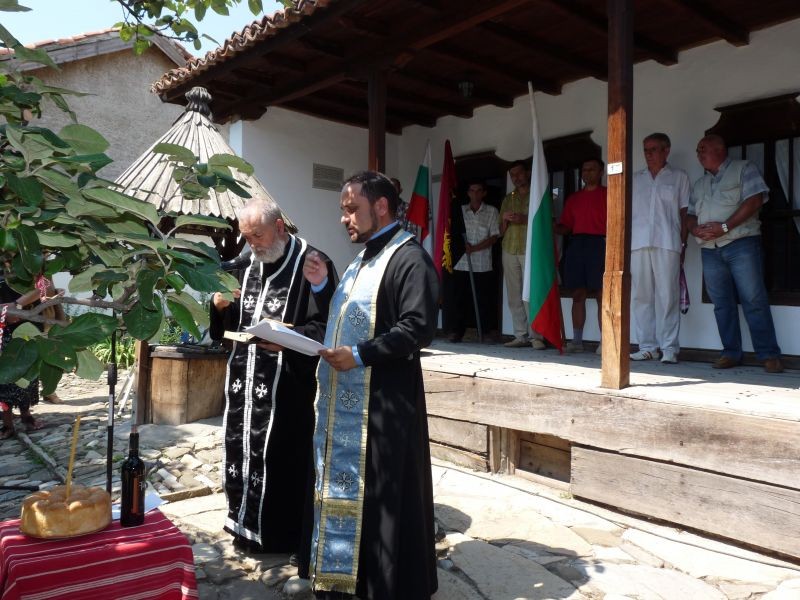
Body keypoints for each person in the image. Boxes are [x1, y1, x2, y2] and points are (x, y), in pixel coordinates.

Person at [303, 171, 438, 600]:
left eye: (351, 209)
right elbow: (348, 317)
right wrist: (322, 286)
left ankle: (383, 585)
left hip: (385, 402)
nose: (344, 218)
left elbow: (417, 328)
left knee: (384, 497)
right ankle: (348, 578)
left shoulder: (409, 258)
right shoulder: (362, 259)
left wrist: (360, 355)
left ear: (380, 206)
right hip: (350, 399)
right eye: (343, 210)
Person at [209, 196, 337, 557]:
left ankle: (283, 537)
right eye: (247, 237)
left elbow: (328, 325)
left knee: (282, 460)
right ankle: (245, 527)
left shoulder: (313, 263)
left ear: (279, 227)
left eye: (258, 236)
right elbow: (228, 323)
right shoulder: (246, 263)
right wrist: (218, 305)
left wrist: (287, 339)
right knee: (242, 454)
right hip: (245, 383)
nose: (252, 245)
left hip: (289, 387)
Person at [688, 134, 784, 373]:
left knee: (753, 299)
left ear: (720, 149)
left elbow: (755, 200)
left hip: (741, 244)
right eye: (698, 150)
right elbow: (689, 214)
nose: (699, 154)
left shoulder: (744, 168)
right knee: (721, 303)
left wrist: (724, 226)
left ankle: (769, 355)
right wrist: (694, 228)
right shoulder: (700, 183)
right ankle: (730, 353)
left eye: (703, 149)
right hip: (710, 249)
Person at [630, 133, 690, 364]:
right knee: (641, 296)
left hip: (668, 241)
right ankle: (647, 347)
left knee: (668, 296)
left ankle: (669, 348)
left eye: (653, 149)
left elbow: (684, 213)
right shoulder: (636, 179)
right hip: (638, 242)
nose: (649, 154)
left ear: (666, 150)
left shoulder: (679, 177)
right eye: (646, 150)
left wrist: (683, 243)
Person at [555, 157, 607, 354]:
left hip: (600, 243)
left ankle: (605, 342)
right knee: (578, 294)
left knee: (602, 294)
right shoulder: (574, 199)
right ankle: (577, 341)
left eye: (592, 169)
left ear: (601, 172)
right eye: (584, 169)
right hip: (577, 244)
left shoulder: (608, 194)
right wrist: (548, 225)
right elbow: (566, 227)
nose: (587, 173)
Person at [499, 160, 545, 349]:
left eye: (519, 173)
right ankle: (520, 335)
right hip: (509, 249)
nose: (516, 178)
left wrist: (524, 219)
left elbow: (547, 222)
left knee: (531, 294)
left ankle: (537, 336)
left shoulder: (538, 195)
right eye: (512, 175)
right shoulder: (508, 199)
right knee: (514, 295)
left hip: (530, 249)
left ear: (528, 173)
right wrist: (505, 219)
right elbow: (500, 231)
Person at [449, 180, 500, 343]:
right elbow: (453, 233)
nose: (475, 194)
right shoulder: (460, 211)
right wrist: (462, 246)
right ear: (468, 193)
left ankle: (484, 331)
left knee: (483, 299)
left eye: (479, 191)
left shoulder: (492, 211)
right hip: (461, 261)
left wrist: (475, 248)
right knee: (460, 298)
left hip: (482, 263)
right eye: (472, 190)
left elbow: (494, 237)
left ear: (484, 193)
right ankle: (458, 332)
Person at [0, 273, 46, 439]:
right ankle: (7, 423)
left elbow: (42, 287)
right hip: (3, 328)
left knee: (28, 376)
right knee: (4, 379)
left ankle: (26, 416)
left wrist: (16, 305)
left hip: (28, 324)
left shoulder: (29, 264)